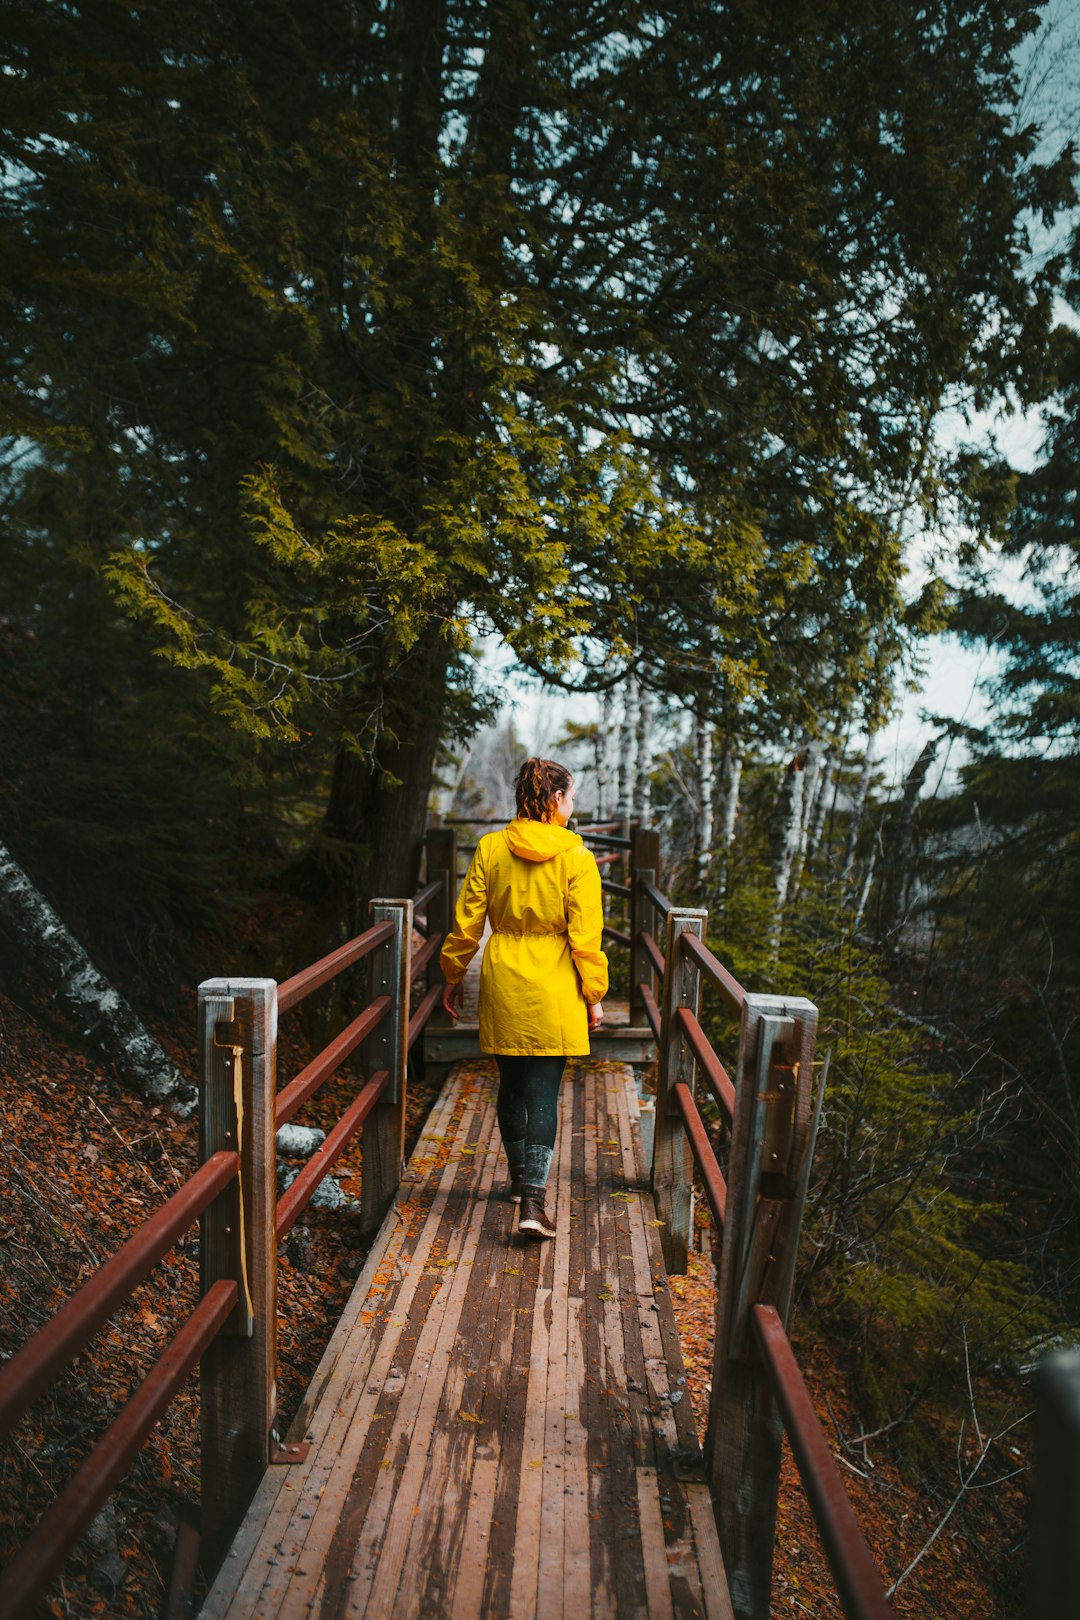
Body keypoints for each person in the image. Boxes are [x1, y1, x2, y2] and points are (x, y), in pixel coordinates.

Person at [440, 757, 608, 1240]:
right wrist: (594, 995)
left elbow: (467, 920)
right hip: (554, 982)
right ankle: (533, 1201)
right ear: (556, 799)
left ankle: (517, 1181)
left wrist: (453, 972)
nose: (572, 806)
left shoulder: (492, 849)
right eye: (571, 797)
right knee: (543, 1093)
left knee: (511, 1084)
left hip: (504, 976)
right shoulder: (576, 856)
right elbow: (585, 936)